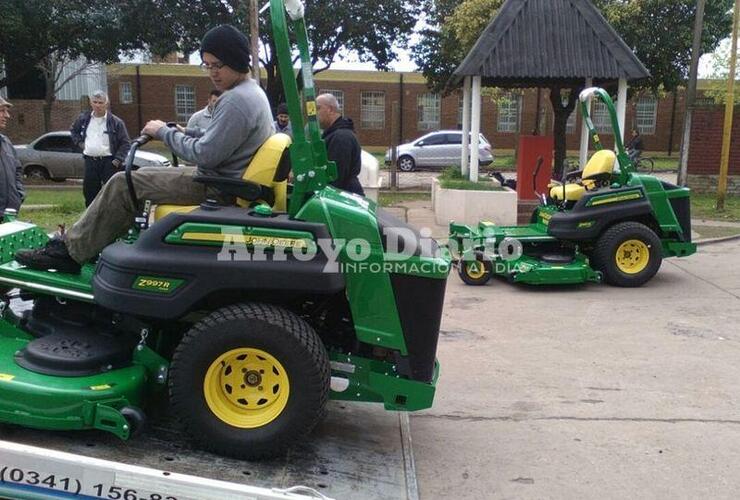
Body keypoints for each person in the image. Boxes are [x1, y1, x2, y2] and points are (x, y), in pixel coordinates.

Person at [15, 24, 274, 274]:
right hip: (226, 179)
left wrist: (163, 133)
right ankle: (90, 244)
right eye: (207, 65)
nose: (212, 72)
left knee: (123, 183)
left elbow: (204, 154)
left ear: (237, 60)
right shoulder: (251, 92)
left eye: (218, 65)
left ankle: (70, 253)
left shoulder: (236, 100)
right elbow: (223, 138)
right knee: (132, 178)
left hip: (217, 186)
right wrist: (186, 132)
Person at [70, 90, 131, 206]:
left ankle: (111, 217)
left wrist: (118, 160)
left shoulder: (116, 122)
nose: (98, 105)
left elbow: (126, 143)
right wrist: (80, 144)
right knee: (90, 193)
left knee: (111, 193)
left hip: (109, 162)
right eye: (95, 102)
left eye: (101, 102)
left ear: (106, 104)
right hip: (90, 161)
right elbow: (74, 131)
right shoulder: (83, 119)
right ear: (91, 103)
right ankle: (90, 219)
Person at [315, 93, 364, 196]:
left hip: (344, 198)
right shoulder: (336, 134)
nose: (314, 113)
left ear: (330, 109)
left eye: (318, 108)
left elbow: (336, 177)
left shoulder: (341, 138)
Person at [0, 97, 25, 214]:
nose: (7, 116)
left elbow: (17, 171)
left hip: (9, 214)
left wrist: (18, 195)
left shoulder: (6, 142)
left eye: (6, 111)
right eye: (1, 111)